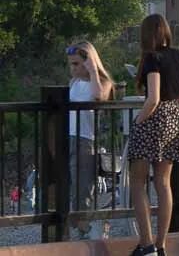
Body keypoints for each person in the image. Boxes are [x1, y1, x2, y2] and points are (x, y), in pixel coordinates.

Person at [128, 14, 179, 256]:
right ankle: (161, 245)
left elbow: (152, 98)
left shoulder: (152, 58)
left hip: (153, 119)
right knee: (164, 183)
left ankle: (146, 244)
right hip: (174, 117)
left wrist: (138, 121)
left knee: (138, 182)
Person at [65, 41, 114, 239]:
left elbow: (97, 97)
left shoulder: (102, 82)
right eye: (71, 64)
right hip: (69, 136)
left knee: (83, 187)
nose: (73, 68)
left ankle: (89, 229)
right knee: (72, 187)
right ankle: (81, 229)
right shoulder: (74, 83)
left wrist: (93, 70)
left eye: (77, 64)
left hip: (86, 139)